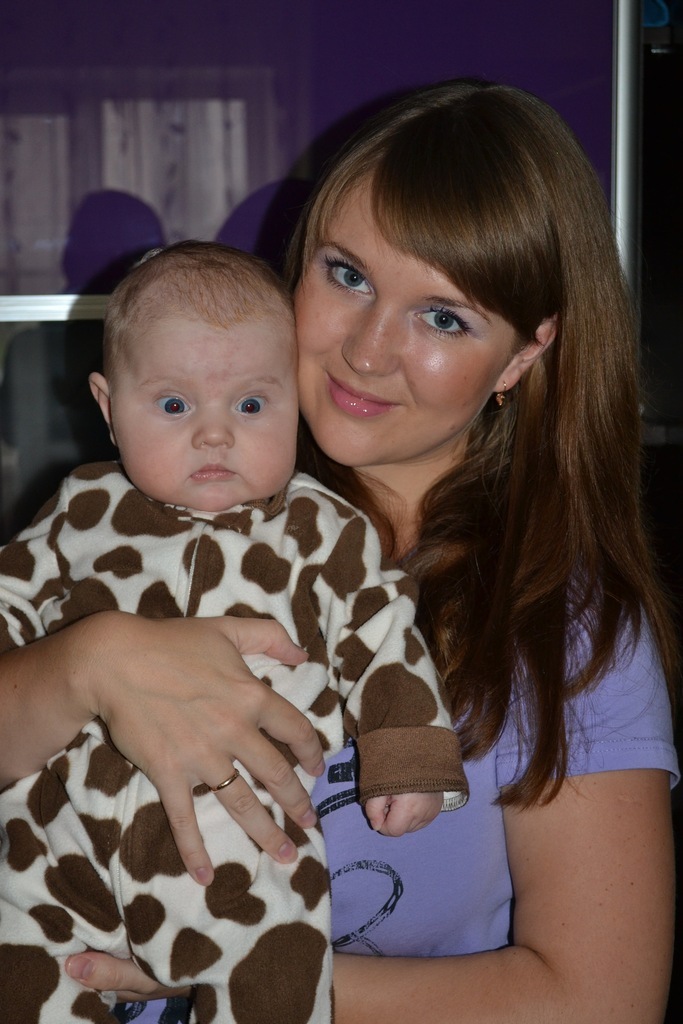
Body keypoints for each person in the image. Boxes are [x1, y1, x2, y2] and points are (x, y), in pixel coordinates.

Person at [0, 78, 679, 1024]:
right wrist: (90, 664)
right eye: (347, 275)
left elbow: (600, 1000)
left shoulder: (565, 627)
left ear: (523, 356)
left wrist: (240, 970)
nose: (366, 348)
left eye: (442, 316)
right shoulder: (149, 503)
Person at [0, 241, 466, 1024]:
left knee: (273, 970)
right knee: (18, 969)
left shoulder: (319, 529)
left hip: (242, 846)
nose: (214, 435)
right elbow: (8, 595)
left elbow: (381, 629)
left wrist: (409, 754)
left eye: (250, 406)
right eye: (174, 406)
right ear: (108, 408)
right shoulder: (79, 511)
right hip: (57, 833)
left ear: (294, 403)